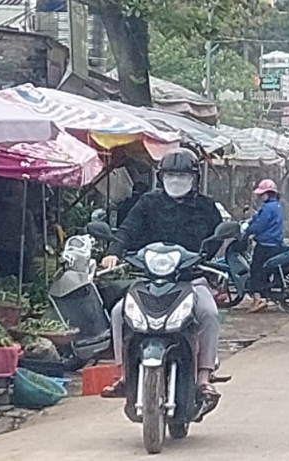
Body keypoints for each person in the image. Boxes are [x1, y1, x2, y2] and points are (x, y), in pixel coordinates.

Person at [99, 148, 224, 401]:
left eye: (183, 176)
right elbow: (127, 230)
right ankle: (124, 374)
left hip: (191, 280)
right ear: (161, 177)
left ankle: (203, 377)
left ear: (194, 179)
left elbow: (218, 238)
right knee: (118, 312)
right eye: (171, 175)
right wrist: (113, 251)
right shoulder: (147, 203)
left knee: (209, 313)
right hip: (149, 281)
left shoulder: (206, 207)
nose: (176, 181)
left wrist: (211, 260)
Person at [244, 179, 285, 313]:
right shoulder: (277, 206)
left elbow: (260, 225)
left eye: (262, 194)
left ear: (268, 193)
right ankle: (264, 296)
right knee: (265, 271)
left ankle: (258, 299)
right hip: (276, 244)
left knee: (256, 270)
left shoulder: (267, 208)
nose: (261, 197)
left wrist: (248, 230)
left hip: (265, 245)